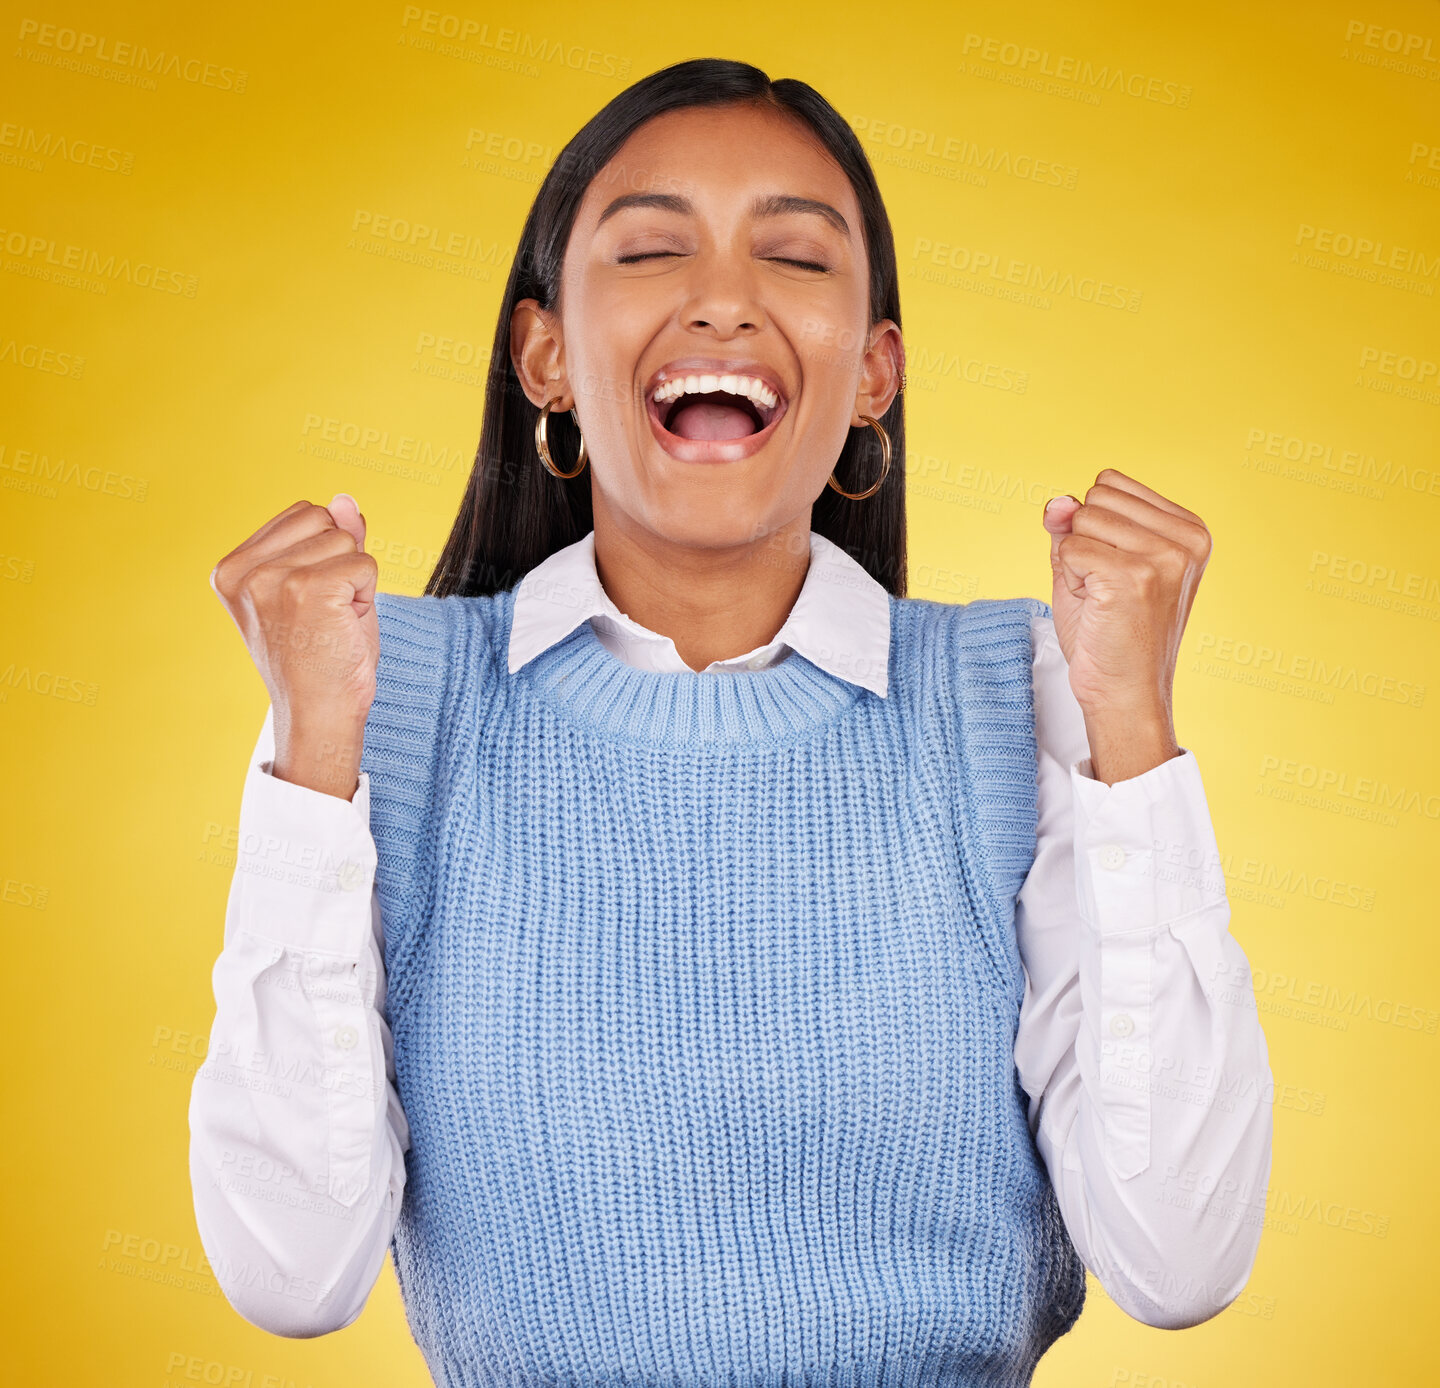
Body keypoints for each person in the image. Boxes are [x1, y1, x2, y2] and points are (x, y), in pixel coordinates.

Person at [191, 57, 1272, 1387]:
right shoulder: (378, 698)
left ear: (874, 373)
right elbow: (290, 1272)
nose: (722, 299)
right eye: (650, 249)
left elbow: (1184, 1258)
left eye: (798, 261)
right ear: (545, 356)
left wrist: (1133, 725)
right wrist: (312, 754)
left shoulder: (1027, 694)